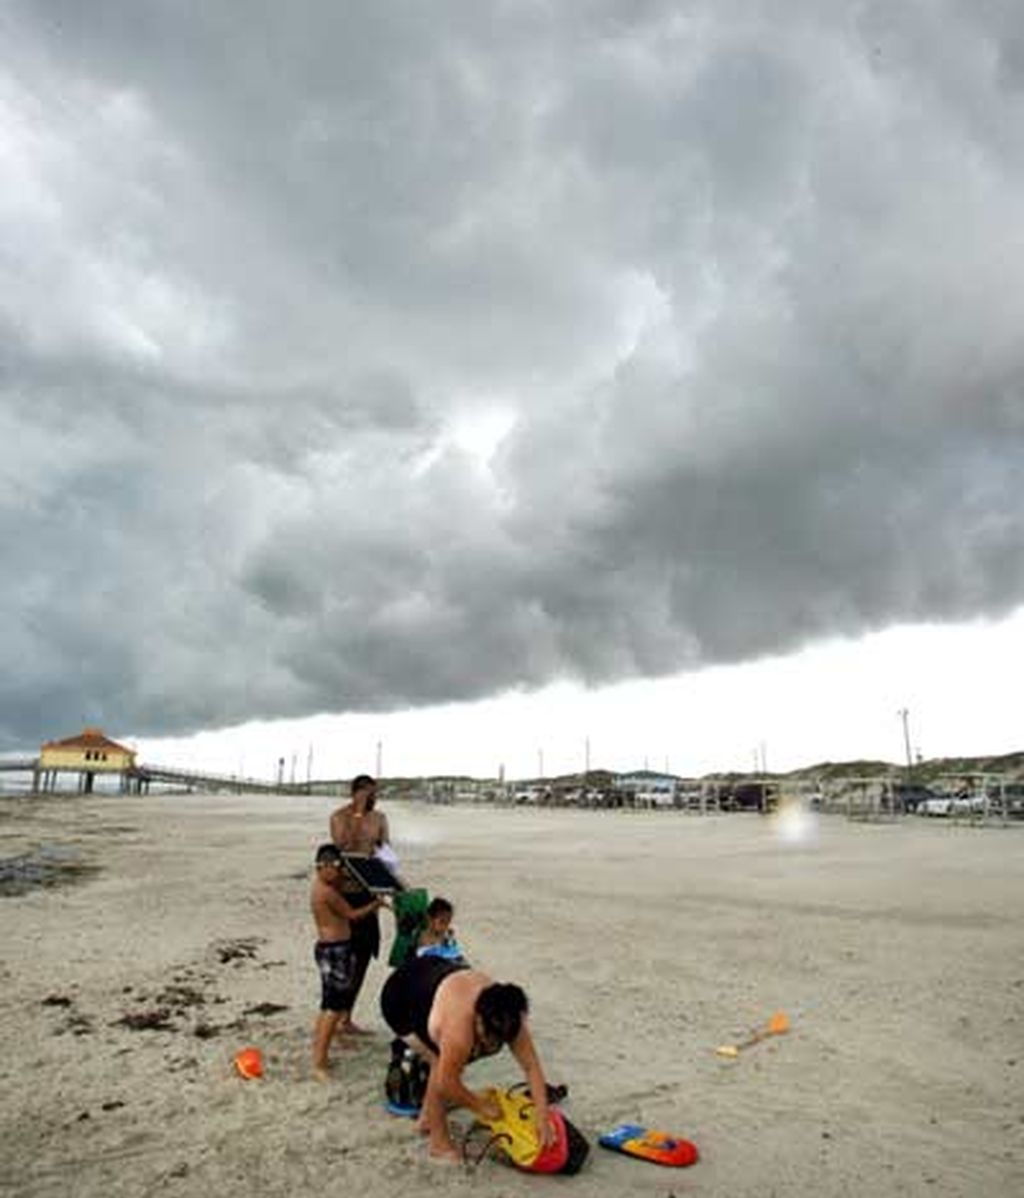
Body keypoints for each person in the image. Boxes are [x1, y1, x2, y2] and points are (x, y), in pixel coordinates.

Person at [380, 955, 553, 1161]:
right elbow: (446, 1082)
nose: (491, 1046)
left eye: (498, 1041)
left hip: (435, 974)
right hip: (400, 996)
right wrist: (479, 1106)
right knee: (439, 1064)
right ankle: (439, 1143)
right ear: (478, 1017)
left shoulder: (510, 1017)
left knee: (448, 1064)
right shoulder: (459, 1029)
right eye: (487, 1038)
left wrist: (542, 1115)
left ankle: (427, 1117)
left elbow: (531, 1067)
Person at [310, 843, 386, 1079]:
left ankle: (320, 1054)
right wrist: (376, 903)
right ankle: (319, 1063)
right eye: (337, 868)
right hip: (335, 950)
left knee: (329, 1004)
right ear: (323, 867)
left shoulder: (321, 886)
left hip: (329, 948)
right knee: (333, 1007)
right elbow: (352, 915)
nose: (340, 872)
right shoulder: (327, 892)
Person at [328, 774, 391, 1034]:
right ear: (354, 792)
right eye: (365, 793)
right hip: (344, 892)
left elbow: (386, 853)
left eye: (373, 793)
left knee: (364, 954)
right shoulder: (338, 817)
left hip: (368, 890)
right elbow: (343, 846)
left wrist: (390, 884)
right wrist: (356, 814)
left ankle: (346, 1017)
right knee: (343, 956)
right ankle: (333, 1017)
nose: (370, 798)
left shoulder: (380, 819)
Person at [416, 896, 466, 962]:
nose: (445, 926)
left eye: (448, 922)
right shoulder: (424, 938)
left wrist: (450, 940)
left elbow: (455, 953)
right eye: (442, 922)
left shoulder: (446, 937)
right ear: (430, 919)